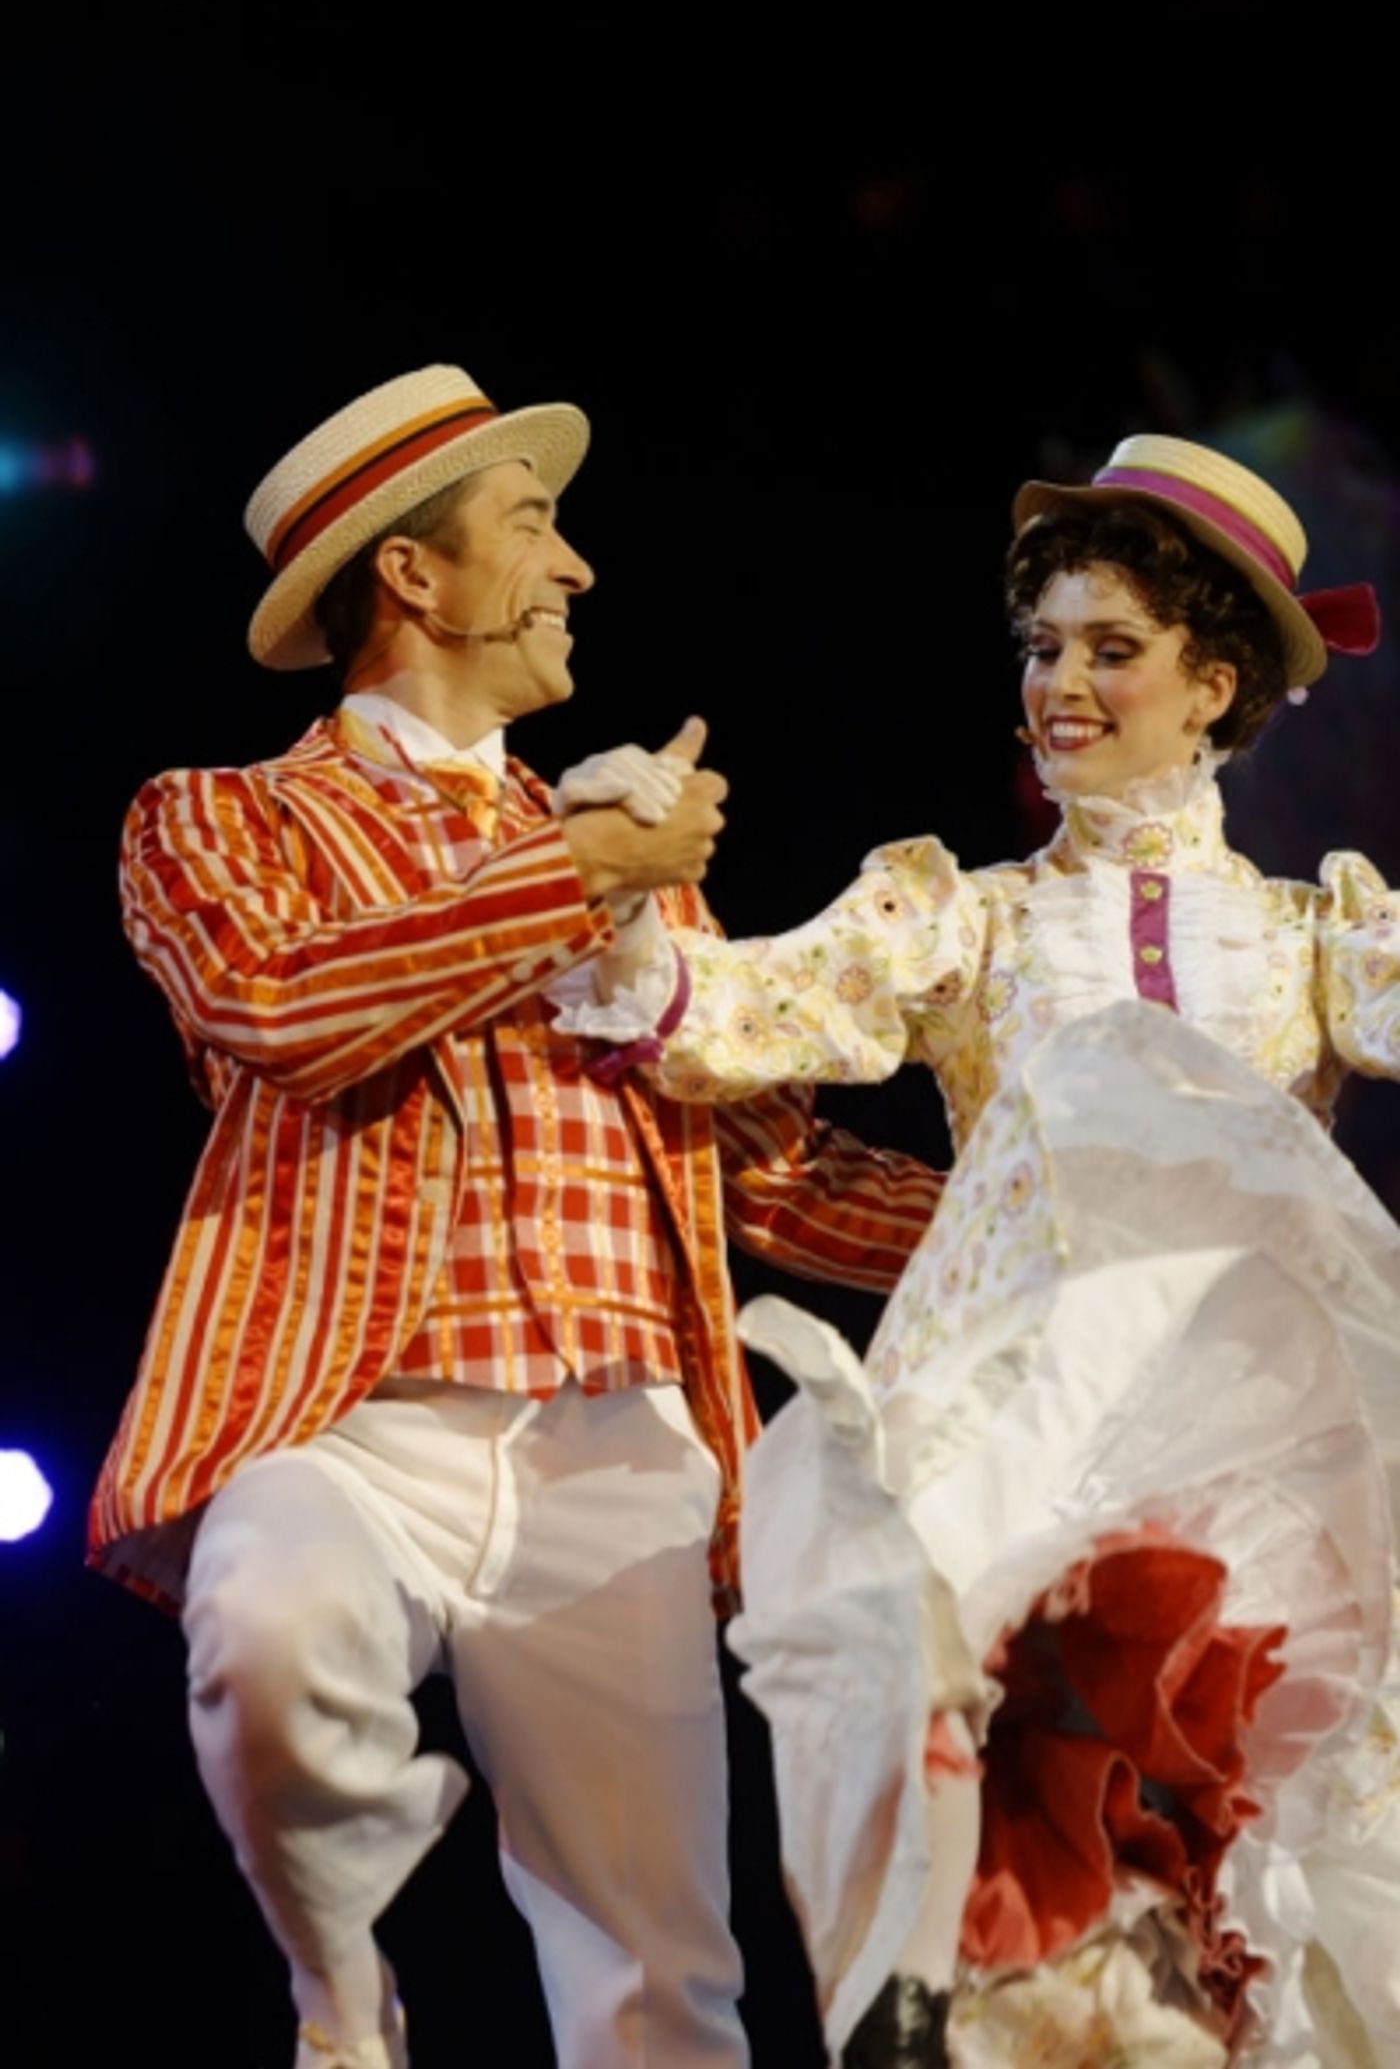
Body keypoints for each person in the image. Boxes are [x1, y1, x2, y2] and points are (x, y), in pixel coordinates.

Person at [86, 363, 946, 2069]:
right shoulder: (220, 819)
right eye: (536, 527)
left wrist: (1040, 1218)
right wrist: (578, 874)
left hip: (616, 1451)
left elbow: (772, 1165)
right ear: (412, 576)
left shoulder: (629, 859)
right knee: (263, 1636)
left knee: (660, 1989)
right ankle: (343, 1996)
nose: (577, 571)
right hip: (353, 1422)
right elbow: (286, 1004)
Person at [562, 435, 1400, 2065]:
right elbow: (739, 1014)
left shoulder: (1320, 933)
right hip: (1034, 1444)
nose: (1060, 684)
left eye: (1111, 648)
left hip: (1261, 1475)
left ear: (1214, 681)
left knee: (1269, 1896)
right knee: (1041, 1897)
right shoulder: (968, 916)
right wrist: (624, 893)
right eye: (1041, 647)